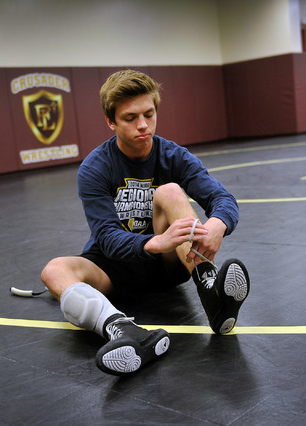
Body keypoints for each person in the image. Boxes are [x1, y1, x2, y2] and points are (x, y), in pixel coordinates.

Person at [40, 69, 250, 376]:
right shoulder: (94, 168)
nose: (142, 125)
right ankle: (121, 330)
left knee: (170, 191)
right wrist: (152, 241)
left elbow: (223, 199)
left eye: (149, 114)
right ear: (110, 121)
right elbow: (107, 237)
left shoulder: (173, 155)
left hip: (169, 263)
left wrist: (218, 223)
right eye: (130, 118)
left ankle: (210, 290)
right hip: (116, 265)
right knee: (53, 270)